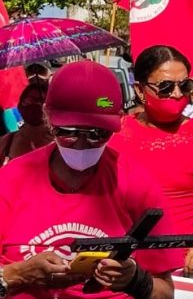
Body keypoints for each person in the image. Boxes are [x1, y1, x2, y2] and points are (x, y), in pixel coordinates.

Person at [0, 61, 183, 298]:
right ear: (47, 117)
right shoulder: (11, 180)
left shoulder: (137, 184)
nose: (82, 144)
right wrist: (18, 274)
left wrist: (135, 280)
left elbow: (165, 292)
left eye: (98, 134)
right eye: (68, 133)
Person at [108, 45, 193, 277]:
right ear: (139, 90)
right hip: (120, 270)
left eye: (185, 85)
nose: (177, 94)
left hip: (181, 272)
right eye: (166, 87)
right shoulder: (114, 136)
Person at [0, 82, 52, 164]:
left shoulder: (60, 144)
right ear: (20, 105)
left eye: (42, 102)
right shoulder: (6, 142)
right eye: (31, 100)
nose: (36, 105)